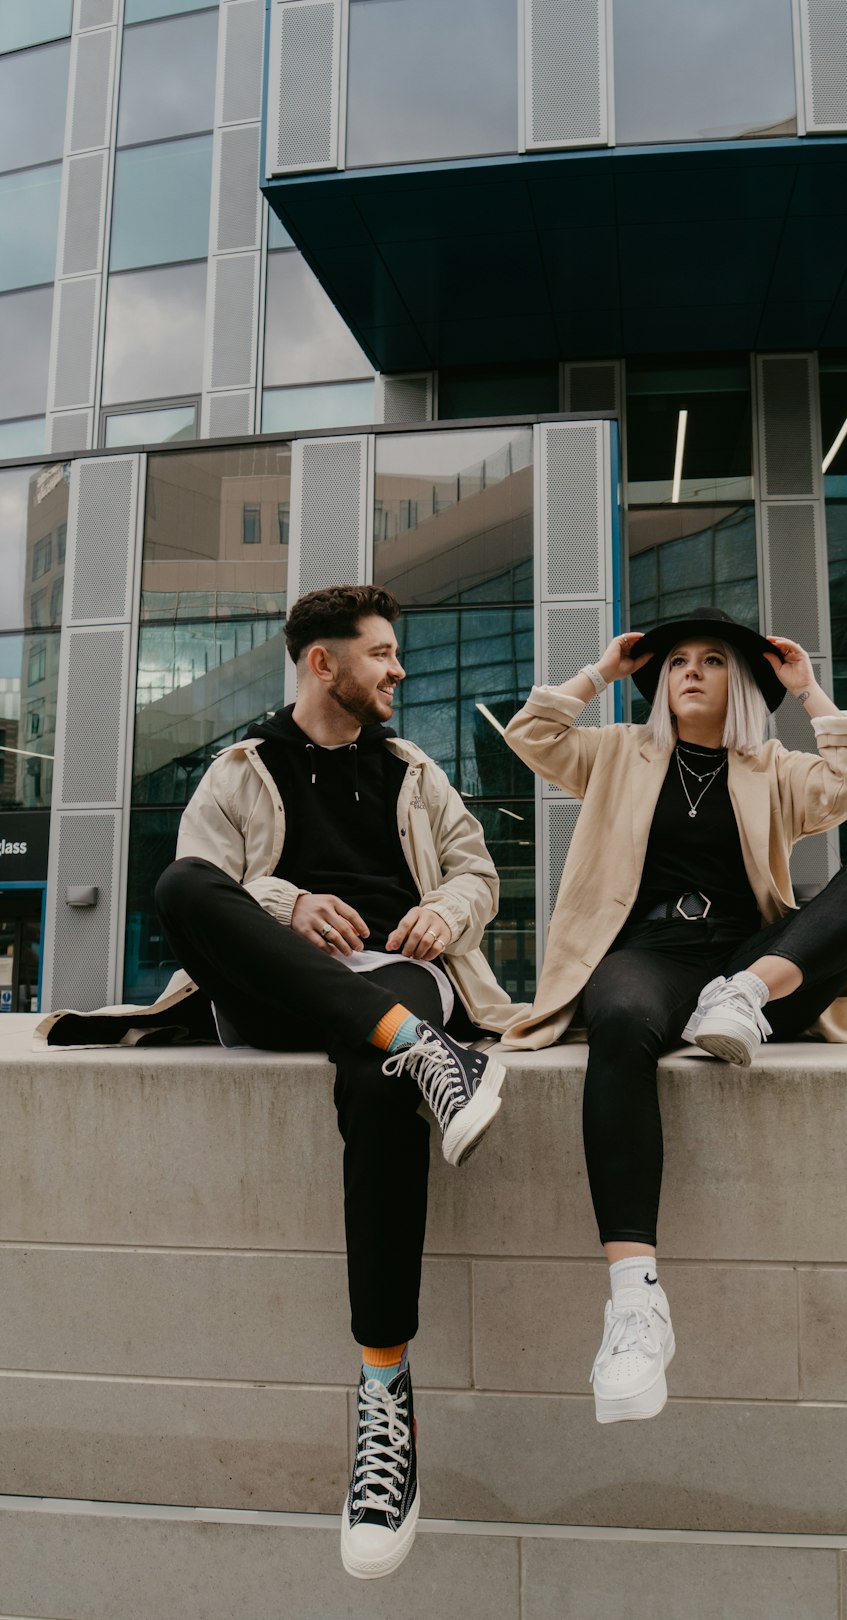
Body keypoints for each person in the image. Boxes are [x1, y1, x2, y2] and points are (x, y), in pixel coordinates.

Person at [38, 584, 524, 1581]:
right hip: (270, 993)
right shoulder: (239, 770)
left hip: (400, 974)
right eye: (382, 654)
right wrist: (287, 901)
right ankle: (419, 1049)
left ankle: (384, 1395)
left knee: (382, 1071)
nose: (398, 671)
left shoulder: (415, 770)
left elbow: (479, 871)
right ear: (323, 664)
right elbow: (204, 879)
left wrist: (448, 911)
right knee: (182, 889)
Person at [501, 606, 847, 1426]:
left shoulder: (773, 765)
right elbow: (533, 738)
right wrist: (602, 675)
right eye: (677, 660)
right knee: (617, 1025)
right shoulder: (621, 754)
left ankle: (748, 994)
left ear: (743, 683)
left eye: (713, 661)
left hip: (751, 960)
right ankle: (634, 1302)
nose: (689, 669)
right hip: (649, 954)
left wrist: (810, 692)